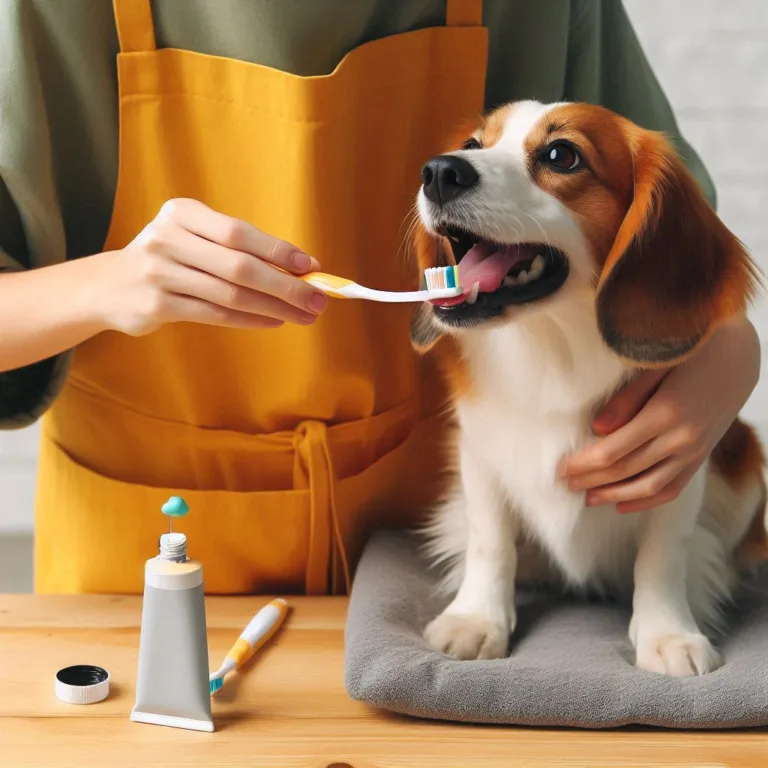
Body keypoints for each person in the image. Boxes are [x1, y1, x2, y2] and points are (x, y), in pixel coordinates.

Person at [0, 0, 759, 595]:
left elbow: (671, 253)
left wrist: (731, 350)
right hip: (143, 572)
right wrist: (105, 282)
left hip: (454, 558)